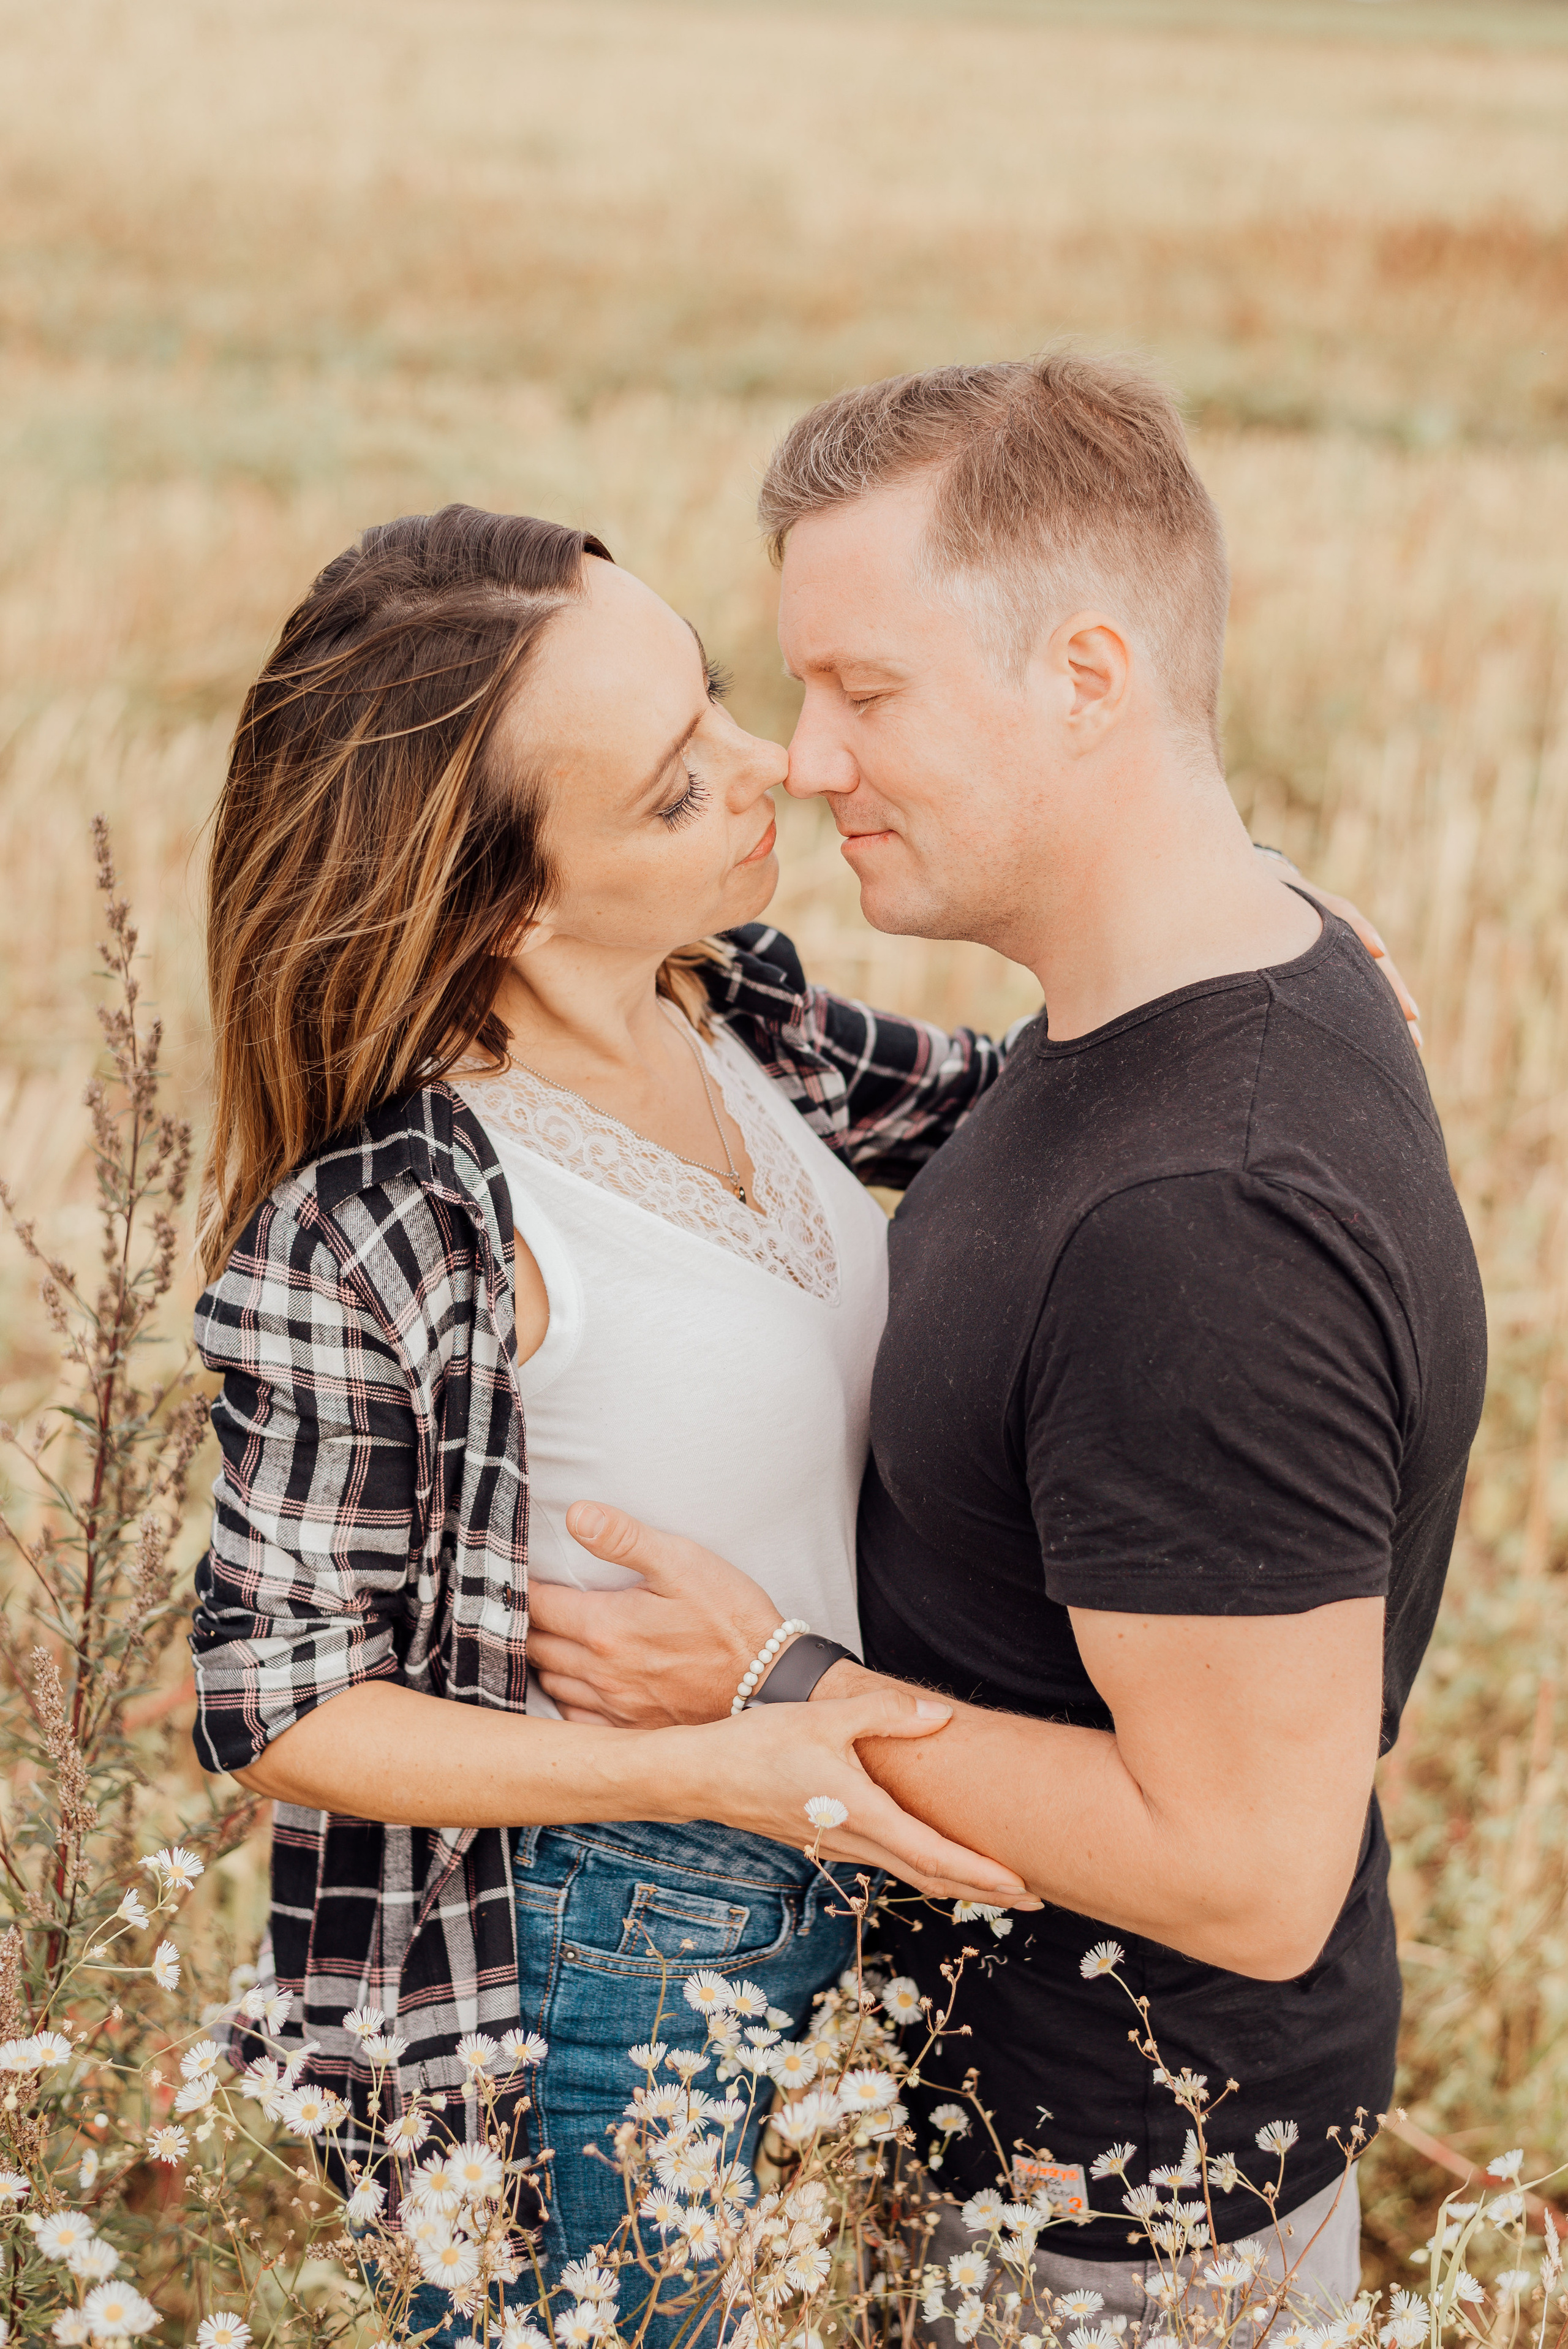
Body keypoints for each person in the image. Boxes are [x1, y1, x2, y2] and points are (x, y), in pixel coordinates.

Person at [510, 355, 1488, 2326]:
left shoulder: (1195, 1225)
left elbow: (1246, 1871)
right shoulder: (1219, 969)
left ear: (1090, 675)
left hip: (1116, 2221)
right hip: (1052, 2154)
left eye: (866, 690)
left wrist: (778, 1681)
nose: (805, 757)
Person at [186, 504, 1038, 2326]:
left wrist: (1244, 932)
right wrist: (697, 1761)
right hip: (600, 1959)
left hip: (831, 1875)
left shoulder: (733, 1014)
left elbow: (1028, 1105)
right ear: (506, 898)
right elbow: (279, 1707)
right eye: (675, 788)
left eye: (715, 703)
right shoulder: (400, 1214)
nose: (774, 772)